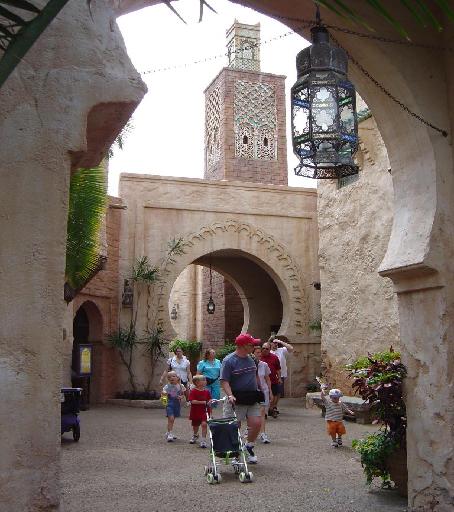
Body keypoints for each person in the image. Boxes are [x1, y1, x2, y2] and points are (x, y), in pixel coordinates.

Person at [220, 333, 262, 464]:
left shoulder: (251, 358)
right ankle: (235, 453)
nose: (255, 347)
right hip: (236, 399)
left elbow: (254, 376)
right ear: (244, 346)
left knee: (256, 423)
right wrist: (230, 395)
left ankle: (248, 447)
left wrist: (261, 389)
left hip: (252, 397)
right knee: (234, 426)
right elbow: (224, 381)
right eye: (252, 345)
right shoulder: (229, 361)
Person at [252, 344, 273, 444]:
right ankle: (251, 430)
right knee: (252, 413)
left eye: (260, 352)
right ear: (253, 354)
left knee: (262, 412)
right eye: (257, 352)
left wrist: (270, 391)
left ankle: (263, 433)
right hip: (252, 391)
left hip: (263, 391)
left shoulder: (264, 365)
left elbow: (267, 379)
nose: (260, 354)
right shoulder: (249, 365)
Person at [270, 336, 294, 412]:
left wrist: (280, 342)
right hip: (271, 375)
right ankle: (270, 406)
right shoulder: (269, 352)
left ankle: (274, 406)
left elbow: (291, 348)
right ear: (270, 343)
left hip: (281, 375)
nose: (275, 344)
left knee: (278, 392)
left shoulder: (282, 350)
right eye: (274, 343)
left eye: (276, 343)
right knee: (272, 391)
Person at [188, 374, 212, 448]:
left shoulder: (207, 391)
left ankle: (203, 440)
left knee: (204, 424)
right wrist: (203, 402)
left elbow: (209, 399)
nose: (205, 381)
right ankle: (195, 435)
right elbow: (192, 401)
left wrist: (210, 402)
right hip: (195, 411)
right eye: (203, 380)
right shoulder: (193, 391)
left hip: (205, 411)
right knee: (195, 425)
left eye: (205, 380)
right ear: (197, 383)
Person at [161, 371, 186, 442]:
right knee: (171, 418)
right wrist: (164, 394)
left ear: (178, 378)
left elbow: (182, 394)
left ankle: (169, 432)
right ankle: (170, 434)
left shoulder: (180, 386)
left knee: (172, 419)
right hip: (169, 404)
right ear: (168, 379)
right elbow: (163, 394)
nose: (171, 378)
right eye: (169, 377)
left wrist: (181, 397)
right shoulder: (167, 386)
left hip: (177, 404)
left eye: (173, 376)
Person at [260, 342, 281, 418]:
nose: (265, 350)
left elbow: (278, 369)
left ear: (270, 349)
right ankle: (264, 412)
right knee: (263, 396)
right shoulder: (258, 357)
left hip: (273, 380)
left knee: (274, 395)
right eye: (263, 348)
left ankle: (271, 409)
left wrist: (279, 378)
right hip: (262, 381)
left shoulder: (274, 357)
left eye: (267, 349)